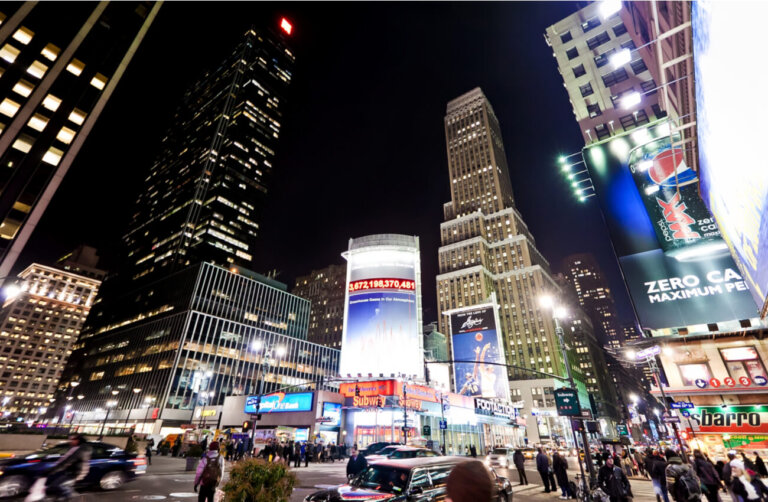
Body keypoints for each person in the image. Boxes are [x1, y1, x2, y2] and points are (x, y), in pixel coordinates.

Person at [43, 434, 92, 500]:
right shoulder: (81, 448)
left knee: (56, 486)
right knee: (60, 487)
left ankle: (70, 496)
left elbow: (67, 462)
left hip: (75, 472)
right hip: (75, 472)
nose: (71, 441)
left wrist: (51, 471)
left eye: (73, 440)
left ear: (78, 440)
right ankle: (66, 496)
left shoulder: (80, 450)